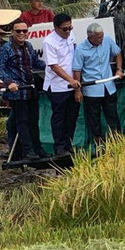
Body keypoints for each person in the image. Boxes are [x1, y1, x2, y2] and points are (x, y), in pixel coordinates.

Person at [0, 20, 49, 161]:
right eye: (18, 31)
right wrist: (9, 82)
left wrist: (52, 66)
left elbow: (35, 62)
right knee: (22, 122)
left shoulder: (29, 46)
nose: (21, 34)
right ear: (12, 32)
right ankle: (28, 151)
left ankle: (36, 149)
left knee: (31, 122)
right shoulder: (6, 48)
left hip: (31, 90)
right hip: (17, 92)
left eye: (24, 31)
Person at [72, 23, 125, 146]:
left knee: (113, 115)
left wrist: (119, 69)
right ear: (90, 37)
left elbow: (118, 53)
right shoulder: (80, 50)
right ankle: (99, 144)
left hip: (108, 86)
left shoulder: (107, 40)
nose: (101, 39)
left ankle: (118, 141)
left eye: (102, 36)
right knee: (93, 119)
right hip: (91, 89)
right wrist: (77, 91)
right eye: (98, 37)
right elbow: (77, 70)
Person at [42, 13, 81, 158]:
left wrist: (76, 84)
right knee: (59, 118)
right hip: (57, 86)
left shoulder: (71, 36)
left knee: (72, 116)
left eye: (70, 28)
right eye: (64, 29)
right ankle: (59, 147)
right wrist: (69, 80)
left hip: (73, 85)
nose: (68, 31)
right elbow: (54, 66)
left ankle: (68, 144)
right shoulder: (49, 42)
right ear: (56, 28)